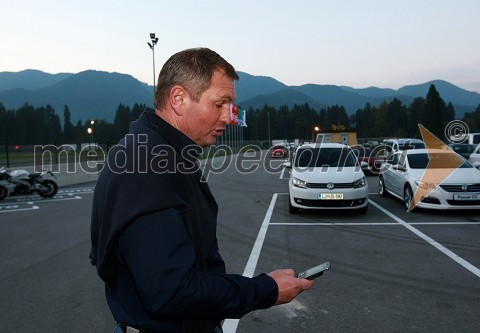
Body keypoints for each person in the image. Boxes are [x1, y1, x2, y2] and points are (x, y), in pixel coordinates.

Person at [90, 47, 314, 333]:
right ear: (179, 99)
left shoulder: (159, 154)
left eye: (230, 106)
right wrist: (264, 290)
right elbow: (172, 291)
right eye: (220, 104)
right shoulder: (148, 166)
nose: (229, 117)